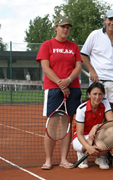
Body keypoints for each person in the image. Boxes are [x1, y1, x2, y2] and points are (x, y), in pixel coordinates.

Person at [36, 16, 82, 170]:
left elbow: (78, 67)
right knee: (52, 124)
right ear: (56, 27)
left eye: (68, 27)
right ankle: (48, 160)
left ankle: (63, 158)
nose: (65, 29)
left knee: (67, 125)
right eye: (62, 27)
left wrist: (68, 80)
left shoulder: (74, 46)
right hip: (53, 89)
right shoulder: (47, 45)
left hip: (73, 88)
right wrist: (61, 84)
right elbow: (46, 68)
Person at [72, 83, 113, 169]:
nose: (97, 97)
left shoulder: (105, 102)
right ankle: (82, 153)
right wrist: (88, 147)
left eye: (100, 94)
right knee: (89, 144)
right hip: (82, 136)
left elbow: (112, 123)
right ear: (89, 94)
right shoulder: (81, 109)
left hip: (98, 133)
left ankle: (101, 156)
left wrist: (96, 126)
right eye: (94, 94)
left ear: (103, 95)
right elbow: (79, 134)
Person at [80, 9, 113, 107]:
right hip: (98, 80)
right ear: (105, 20)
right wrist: (92, 71)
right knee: (97, 110)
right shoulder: (95, 34)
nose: (112, 23)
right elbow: (83, 55)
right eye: (110, 19)